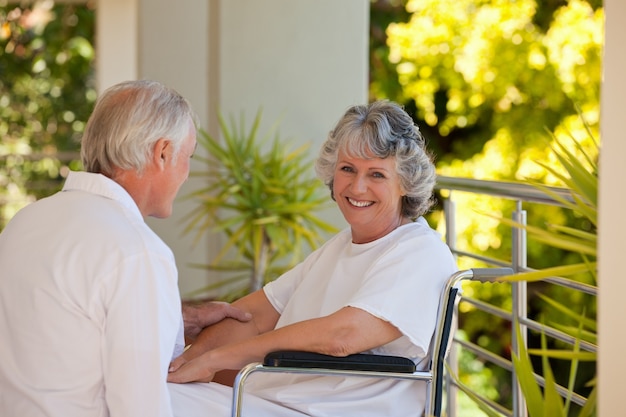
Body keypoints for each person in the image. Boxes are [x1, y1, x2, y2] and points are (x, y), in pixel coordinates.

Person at [166, 100, 458, 417]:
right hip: (272, 401)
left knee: (144, 403)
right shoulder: (340, 246)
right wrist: (185, 362)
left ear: (406, 183)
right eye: (347, 169)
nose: (357, 187)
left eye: (376, 174)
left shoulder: (421, 253)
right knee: (147, 391)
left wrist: (215, 360)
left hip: (319, 411)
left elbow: (343, 337)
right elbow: (251, 317)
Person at [0, 79, 249, 417]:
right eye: (188, 157)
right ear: (162, 153)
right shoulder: (137, 251)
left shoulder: (26, 222)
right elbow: (139, 407)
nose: (187, 174)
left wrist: (176, 318)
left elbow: (62, 326)